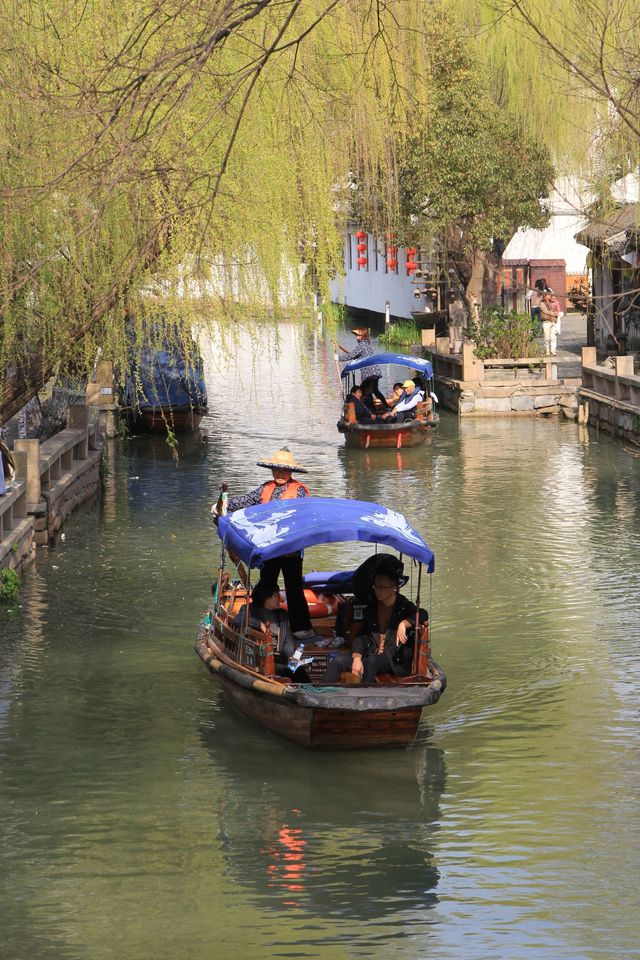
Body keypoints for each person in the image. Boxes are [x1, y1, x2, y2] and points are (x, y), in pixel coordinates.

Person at [213, 446, 315, 639]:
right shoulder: (265, 488)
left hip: (291, 550)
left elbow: (303, 516)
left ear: (291, 472)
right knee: (265, 585)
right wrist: (222, 504)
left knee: (294, 588)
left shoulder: (299, 491)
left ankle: (301, 627)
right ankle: (257, 621)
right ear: (272, 470)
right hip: (269, 548)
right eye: (277, 469)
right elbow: (244, 501)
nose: (280, 473)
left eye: (284, 470)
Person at [323, 569, 427, 684]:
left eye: (382, 587)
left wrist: (404, 623)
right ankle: (320, 694)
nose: (377, 591)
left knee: (372, 662)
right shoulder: (372, 607)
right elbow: (362, 635)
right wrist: (357, 657)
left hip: (393, 659)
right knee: (338, 661)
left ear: (394, 588)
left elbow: (423, 614)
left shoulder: (404, 606)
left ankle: (362, 697)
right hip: (371, 652)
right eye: (376, 586)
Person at [233, 581, 311, 682]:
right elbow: (237, 620)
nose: (279, 597)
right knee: (286, 671)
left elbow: (287, 640)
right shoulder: (250, 610)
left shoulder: (282, 615)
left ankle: (309, 691)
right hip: (259, 659)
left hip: (279, 657)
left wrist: (290, 656)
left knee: (299, 670)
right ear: (266, 598)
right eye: (276, 595)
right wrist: (259, 624)